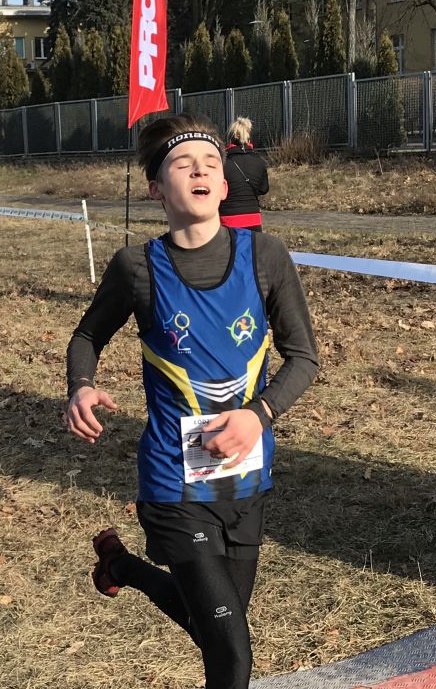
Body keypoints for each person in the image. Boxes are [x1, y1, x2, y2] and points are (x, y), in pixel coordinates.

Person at [65, 114, 318, 689]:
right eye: (183, 164)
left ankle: (121, 566)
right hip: (173, 484)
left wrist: (259, 416)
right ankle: (125, 565)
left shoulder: (266, 256)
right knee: (232, 653)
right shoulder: (136, 267)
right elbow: (87, 336)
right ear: (157, 188)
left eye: (210, 163)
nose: (200, 171)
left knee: (212, 625)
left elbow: (303, 358)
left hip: (245, 478)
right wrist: (80, 384)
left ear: (225, 185)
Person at [219, 117, 269, 232]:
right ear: (249, 137)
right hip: (253, 219)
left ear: (230, 139)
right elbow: (264, 189)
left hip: (228, 218)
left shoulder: (223, 163)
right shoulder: (259, 161)